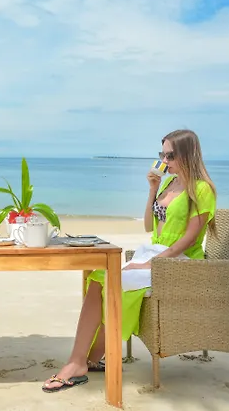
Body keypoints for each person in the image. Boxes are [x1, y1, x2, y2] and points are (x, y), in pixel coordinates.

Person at [42, 129, 217, 392]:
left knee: (110, 281)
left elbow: (189, 240)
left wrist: (150, 264)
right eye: (162, 154)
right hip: (155, 252)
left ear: (188, 154)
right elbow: (148, 226)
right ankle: (84, 359)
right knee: (98, 278)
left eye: (170, 155)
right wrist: (152, 190)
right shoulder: (169, 184)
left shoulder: (202, 190)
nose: (164, 160)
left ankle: (79, 362)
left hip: (179, 262)